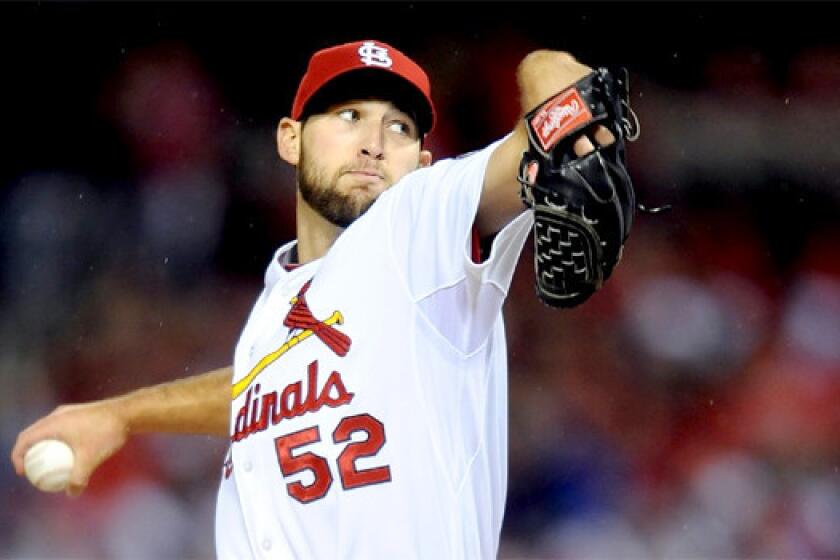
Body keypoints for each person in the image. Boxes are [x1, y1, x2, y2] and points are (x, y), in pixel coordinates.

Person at [12, 39, 615, 558]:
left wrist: (548, 81)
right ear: (290, 139)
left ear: (424, 163)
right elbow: (258, 387)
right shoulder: (280, 299)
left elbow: (560, 95)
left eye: (399, 127)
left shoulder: (419, 222)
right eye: (348, 115)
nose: (375, 143)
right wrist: (120, 414)